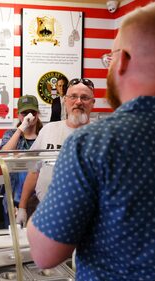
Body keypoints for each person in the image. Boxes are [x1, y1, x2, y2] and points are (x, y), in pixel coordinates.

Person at [27, 3, 155, 281]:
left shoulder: (94, 142)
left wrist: (36, 217)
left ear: (124, 60)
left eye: (110, 57)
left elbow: (46, 253)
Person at [16, 78, 95, 227]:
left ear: (92, 103)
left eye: (84, 97)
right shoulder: (48, 130)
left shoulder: (101, 135)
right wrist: (22, 207)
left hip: (88, 217)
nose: (78, 102)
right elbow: (34, 171)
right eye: (73, 96)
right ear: (65, 100)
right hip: (46, 212)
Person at [0, 95, 43, 227]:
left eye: (32, 112)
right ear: (18, 115)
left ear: (37, 114)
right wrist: (20, 129)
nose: (29, 116)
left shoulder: (44, 134)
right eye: (24, 113)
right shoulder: (11, 134)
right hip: (15, 199)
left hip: (39, 200)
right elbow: (3, 155)